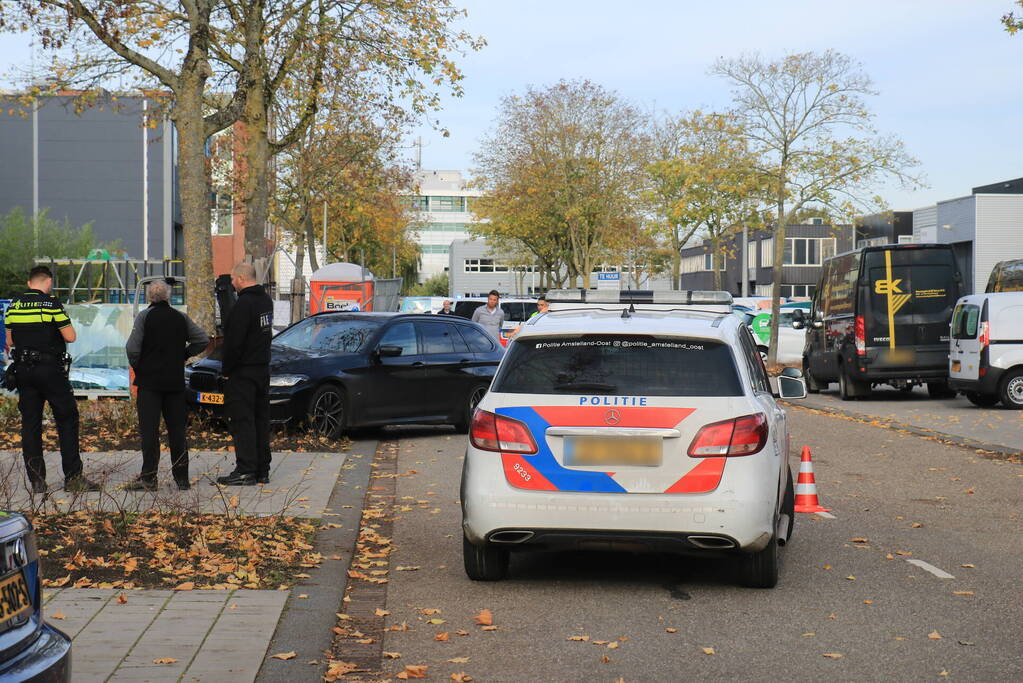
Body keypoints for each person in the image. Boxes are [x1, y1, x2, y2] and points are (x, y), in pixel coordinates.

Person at [3, 266, 99, 493]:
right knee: (67, 419)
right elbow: (70, 336)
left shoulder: (14, 305)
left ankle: (37, 481)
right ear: (48, 282)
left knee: (31, 423)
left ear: (29, 283)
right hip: (50, 370)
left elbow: (11, 340)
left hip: (24, 371)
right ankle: (73, 478)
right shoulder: (50, 303)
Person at [124, 280, 209, 491]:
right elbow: (203, 340)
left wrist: (140, 366)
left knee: (150, 432)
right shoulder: (180, 317)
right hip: (175, 383)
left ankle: (149, 478)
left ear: (149, 298)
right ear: (168, 296)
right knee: (177, 431)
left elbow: (132, 348)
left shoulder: (144, 317)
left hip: (150, 384)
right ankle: (182, 478)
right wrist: (184, 354)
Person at [216, 262, 274, 486]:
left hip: (243, 372)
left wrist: (227, 371)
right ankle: (262, 469)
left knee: (242, 420)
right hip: (262, 368)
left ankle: (246, 470)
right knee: (260, 419)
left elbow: (234, 343)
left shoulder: (244, 304)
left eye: (232, 279)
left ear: (241, 278)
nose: (231, 283)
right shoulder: (265, 301)